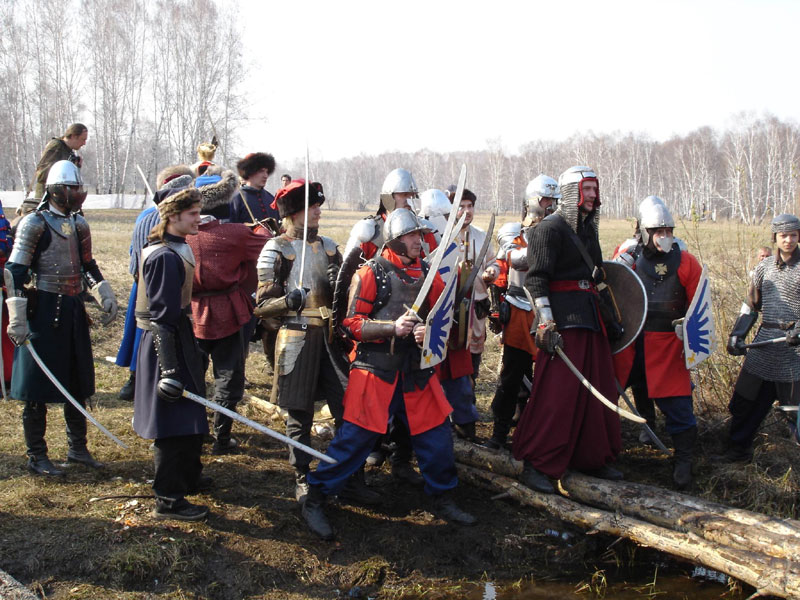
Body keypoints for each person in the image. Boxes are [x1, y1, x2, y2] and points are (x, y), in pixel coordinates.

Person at [301, 208, 476, 540]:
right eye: (412, 236)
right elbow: (351, 323)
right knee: (354, 441)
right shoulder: (371, 273)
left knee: (437, 438)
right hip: (376, 371)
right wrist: (391, 327)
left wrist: (427, 330)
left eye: (421, 235)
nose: (420, 241)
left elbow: (441, 317)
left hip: (416, 371)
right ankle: (316, 497)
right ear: (395, 239)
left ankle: (442, 496)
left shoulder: (429, 273)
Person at [254, 180, 378, 505]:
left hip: (330, 338)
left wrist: (344, 283)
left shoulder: (330, 247)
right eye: (312, 206)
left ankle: (351, 475)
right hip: (295, 338)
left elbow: (348, 297)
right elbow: (261, 307)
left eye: (318, 206)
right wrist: (287, 302)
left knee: (348, 409)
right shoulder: (275, 249)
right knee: (300, 414)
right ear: (294, 212)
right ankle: (302, 478)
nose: (318, 211)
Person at [512, 166, 623, 493]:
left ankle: (591, 456)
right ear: (573, 192)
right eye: (587, 189)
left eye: (594, 189)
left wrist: (611, 319)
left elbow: (595, 278)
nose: (593, 195)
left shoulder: (588, 230)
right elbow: (536, 280)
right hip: (562, 323)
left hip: (589, 318)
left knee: (597, 391)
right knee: (557, 396)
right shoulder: (548, 229)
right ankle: (537, 463)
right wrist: (546, 323)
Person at [5, 160, 118, 476]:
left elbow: (87, 266)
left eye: (77, 187)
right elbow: (14, 273)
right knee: (36, 387)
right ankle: (37, 455)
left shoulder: (79, 224)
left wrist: (103, 292)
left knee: (77, 381)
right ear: (56, 189)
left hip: (72, 309)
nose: (75, 192)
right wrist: (17, 317)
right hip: (43, 310)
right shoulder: (34, 223)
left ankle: (77, 449)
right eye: (70, 187)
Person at [342, 168, 427, 484]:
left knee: (406, 406)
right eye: (403, 195)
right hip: (372, 327)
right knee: (368, 411)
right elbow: (348, 275)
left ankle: (401, 458)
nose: (408, 201)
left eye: (411, 196)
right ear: (390, 196)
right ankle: (369, 454)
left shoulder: (415, 231)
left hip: (408, 337)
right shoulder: (370, 229)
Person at [613, 196, 703, 489]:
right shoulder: (627, 257)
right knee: (606, 396)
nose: (664, 236)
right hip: (631, 342)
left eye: (668, 231)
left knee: (679, 407)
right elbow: (612, 292)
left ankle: (684, 459)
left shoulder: (687, 262)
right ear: (644, 231)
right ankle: (603, 452)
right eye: (658, 231)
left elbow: (698, 306)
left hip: (668, 345)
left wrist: (689, 335)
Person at [132, 187, 211, 521]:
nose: (198, 219)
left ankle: (188, 477)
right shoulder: (163, 256)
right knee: (172, 421)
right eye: (193, 213)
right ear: (173, 215)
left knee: (190, 411)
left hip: (179, 335)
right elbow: (161, 317)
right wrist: (169, 370)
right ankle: (168, 498)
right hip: (165, 343)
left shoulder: (178, 247)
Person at [186, 166, 269, 454]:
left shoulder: (181, 234)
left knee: (194, 376)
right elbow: (266, 245)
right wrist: (260, 228)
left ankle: (196, 433)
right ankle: (221, 438)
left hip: (191, 312)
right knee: (228, 377)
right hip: (228, 313)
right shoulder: (237, 233)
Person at [484, 175, 559, 451]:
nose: (550, 205)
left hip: (550, 312)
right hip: (519, 310)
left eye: (554, 200)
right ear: (533, 201)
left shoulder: (560, 232)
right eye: (545, 199)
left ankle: (538, 432)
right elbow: (511, 264)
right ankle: (499, 432)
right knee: (512, 376)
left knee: (550, 378)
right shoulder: (514, 233)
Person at [115, 165, 196, 400]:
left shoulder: (155, 222)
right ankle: (138, 379)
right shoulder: (157, 233)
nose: (198, 218)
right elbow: (138, 254)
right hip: (154, 291)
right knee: (149, 340)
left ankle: (138, 379)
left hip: (152, 288)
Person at [725, 214, 800, 462]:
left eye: (793, 235)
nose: (788, 240)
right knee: (745, 402)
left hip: (795, 352)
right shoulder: (764, 268)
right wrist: (737, 334)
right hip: (765, 345)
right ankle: (738, 451)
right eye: (783, 235)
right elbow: (750, 306)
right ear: (775, 237)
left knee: (795, 411)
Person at [438, 189, 494, 442]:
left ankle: (466, 414)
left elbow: (493, 262)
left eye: (470, 205)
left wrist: (492, 271)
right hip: (448, 316)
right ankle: (449, 417)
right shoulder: (441, 237)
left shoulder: (481, 237)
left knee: (471, 365)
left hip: (475, 313)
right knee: (447, 369)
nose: (467, 211)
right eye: (461, 206)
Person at [21, 124, 88, 216]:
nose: (84, 143)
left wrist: (75, 166)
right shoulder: (56, 146)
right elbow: (42, 174)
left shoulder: (68, 150)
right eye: (83, 139)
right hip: (47, 201)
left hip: (60, 203)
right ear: (73, 136)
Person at [230, 152, 280, 223]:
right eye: (261, 171)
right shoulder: (236, 199)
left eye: (267, 172)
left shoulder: (271, 199)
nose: (265, 175)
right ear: (250, 172)